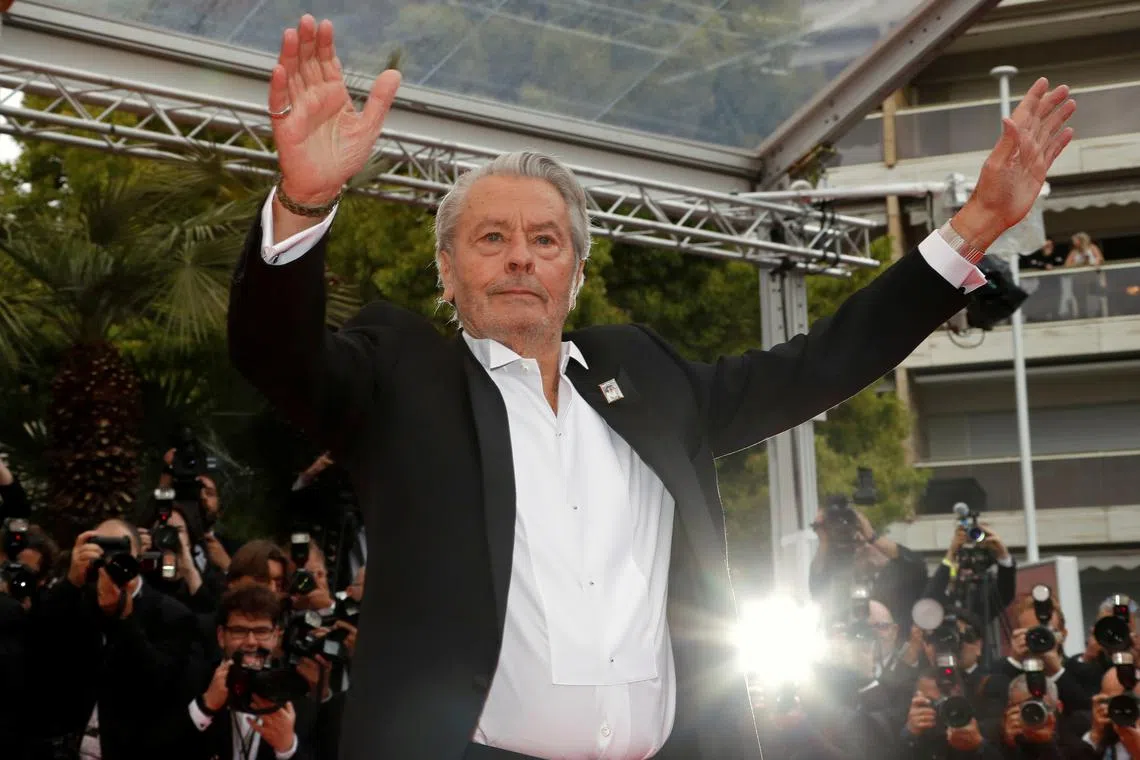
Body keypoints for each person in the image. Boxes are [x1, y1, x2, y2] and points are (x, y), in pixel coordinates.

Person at [227, 14, 1076, 760]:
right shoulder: (404, 377)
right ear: (446, 272)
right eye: (491, 238)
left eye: (546, 240)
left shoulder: (645, 377)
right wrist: (303, 202)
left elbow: (817, 365)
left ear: (576, 274)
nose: (521, 257)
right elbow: (279, 356)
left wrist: (974, 226)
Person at [27, 519, 201, 759]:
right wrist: (71, 582)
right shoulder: (76, 600)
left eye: (120, 549)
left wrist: (124, 619)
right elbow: (38, 645)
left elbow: (158, 683)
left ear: (139, 557)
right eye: (102, 548)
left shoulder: (172, 614)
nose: (111, 559)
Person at [159, 585, 311, 760]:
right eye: (239, 631)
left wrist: (287, 749)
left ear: (276, 636)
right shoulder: (189, 681)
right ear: (221, 636)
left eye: (261, 631)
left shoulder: (293, 695)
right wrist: (204, 708)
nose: (251, 642)